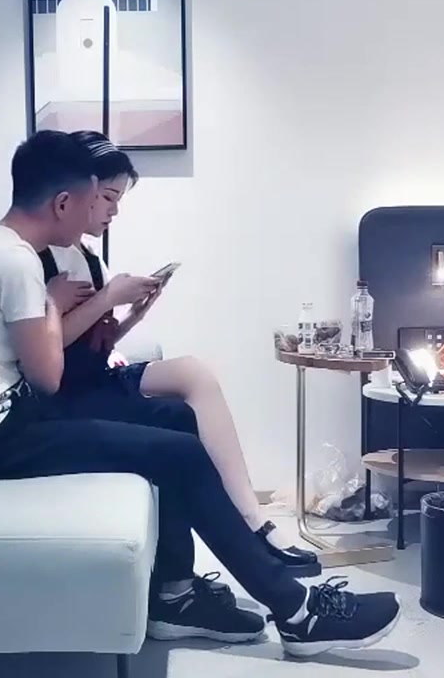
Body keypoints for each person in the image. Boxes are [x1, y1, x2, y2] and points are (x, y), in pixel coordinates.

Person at [0, 130, 399, 656]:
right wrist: (55, 307)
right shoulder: (15, 263)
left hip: (6, 422)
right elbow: (48, 378)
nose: (99, 214)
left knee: (176, 419)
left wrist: (71, 311)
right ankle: (298, 612)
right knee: (182, 453)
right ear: (63, 202)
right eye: (93, 200)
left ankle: (175, 595)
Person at [41, 130, 320, 573]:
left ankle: (253, 518)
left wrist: (134, 315)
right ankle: (246, 529)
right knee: (180, 420)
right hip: (72, 393)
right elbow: (47, 349)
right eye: (107, 198)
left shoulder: (88, 255)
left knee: (194, 373)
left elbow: (94, 343)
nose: (114, 210)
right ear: (78, 194)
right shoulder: (43, 260)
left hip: (95, 375)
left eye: (117, 199)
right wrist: (107, 298)